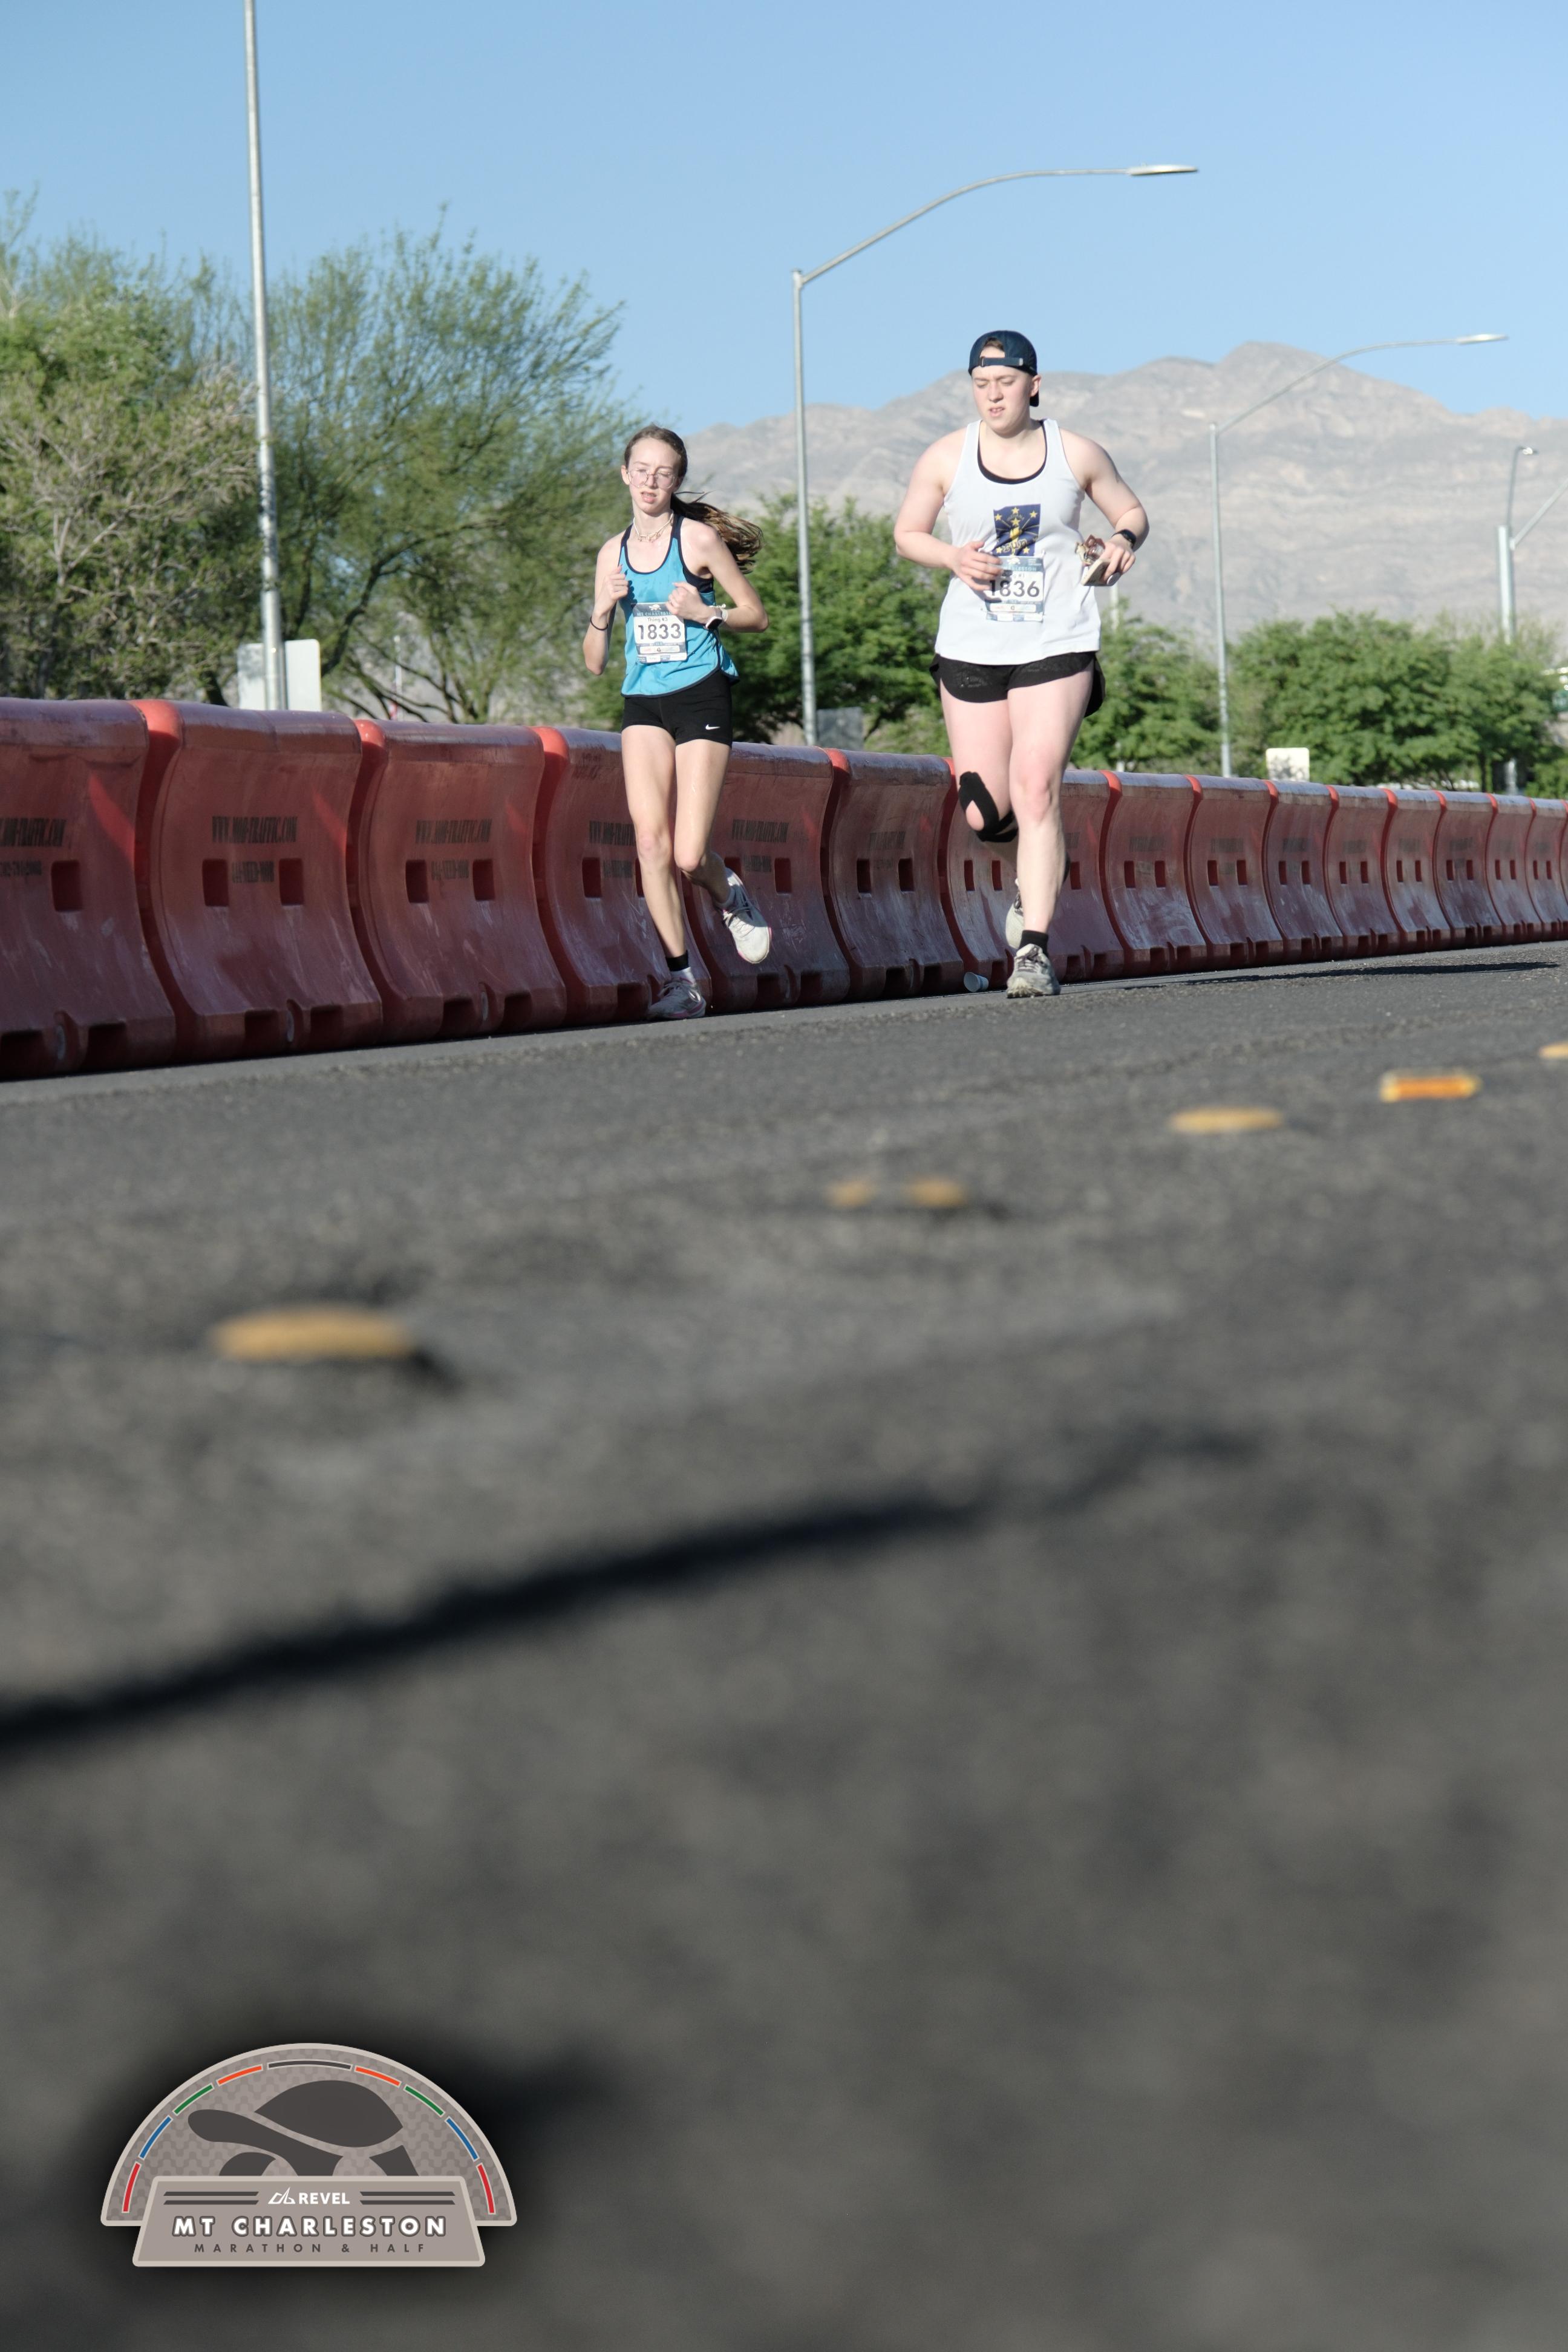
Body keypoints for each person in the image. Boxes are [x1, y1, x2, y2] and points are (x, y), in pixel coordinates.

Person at [893, 331, 1148, 999]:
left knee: (1036, 787)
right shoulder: (946, 456)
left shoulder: (1075, 452)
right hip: (972, 645)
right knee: (984, 810)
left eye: (1005, 382)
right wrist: (952, 557)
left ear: (1033, 385)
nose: (994, 395)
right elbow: (907, 534)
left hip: (1056, 640)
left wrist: (1121, 540)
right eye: (982, 384)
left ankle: (1034, 949)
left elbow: (1130, 510)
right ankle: (1031, 871)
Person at [583, 426, 773, 1020]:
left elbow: (756, 615)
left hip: (700, 694)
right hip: (643, 700)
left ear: (677, 480)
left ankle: (728, 892)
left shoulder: (697, 540)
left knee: (689, 855)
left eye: (663, 472)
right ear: (625, 474)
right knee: (650, 842)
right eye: (641, 470)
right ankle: (681, 981)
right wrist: (602, 610)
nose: (650, 481)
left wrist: (706, 611)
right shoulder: (610, 554)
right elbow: (594, 664)